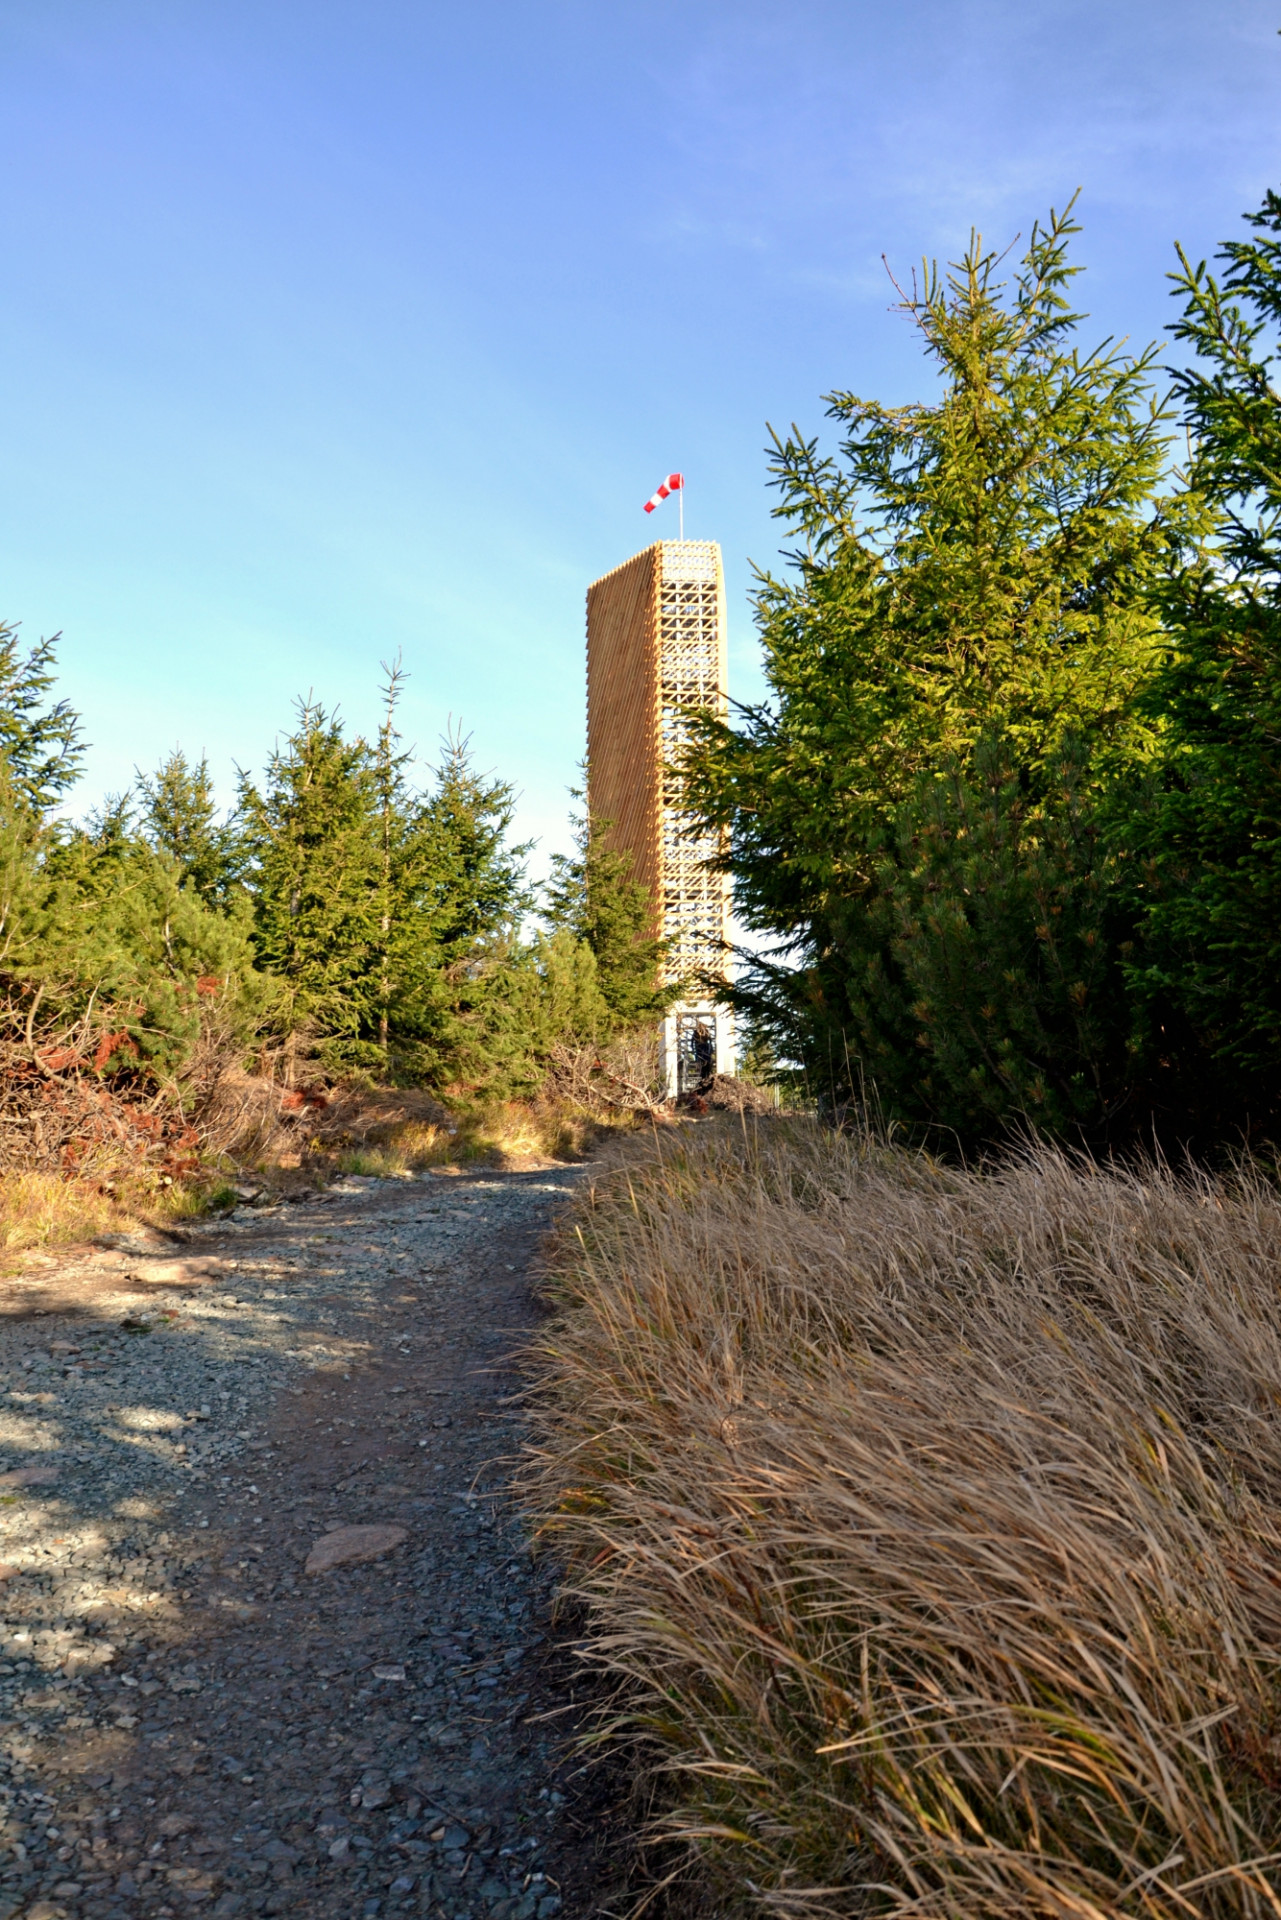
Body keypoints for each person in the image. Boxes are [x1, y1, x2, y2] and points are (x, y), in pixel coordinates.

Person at [691, 1021, 715, 1087]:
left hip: (705, 1049)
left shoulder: (706, 1032)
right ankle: (702, 1078)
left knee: (707, 1065)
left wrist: (710, 1050)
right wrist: (693, 1048)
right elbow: (692, 1041)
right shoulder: (695, 1032)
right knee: (701, 1065)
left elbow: (710, 1040)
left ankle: (707, 1076)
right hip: (699, 1049)